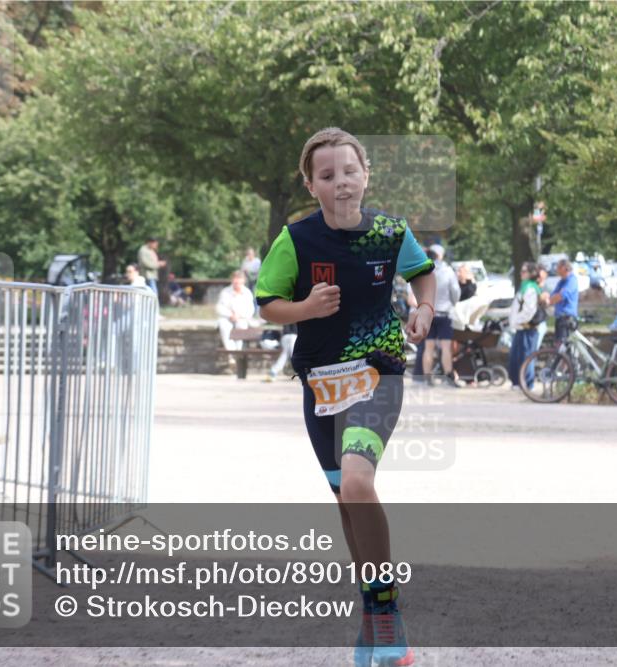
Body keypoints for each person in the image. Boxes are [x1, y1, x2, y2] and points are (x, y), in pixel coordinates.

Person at [254, 127, 435, 665]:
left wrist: (423, 310)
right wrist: (305, 308)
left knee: (358, 481)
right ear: (311, 185)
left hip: (379, 373)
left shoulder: (389, 231)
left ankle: (387, 613)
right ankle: (371, 618)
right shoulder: (296, 240)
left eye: (349, 172)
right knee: (345, 501)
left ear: (366, 175)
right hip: (321, 383)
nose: (341, 184)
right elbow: (268, 304)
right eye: (328, 176)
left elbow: (422, 276)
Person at [422, 243, 461, 386]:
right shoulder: (448, 271)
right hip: (444, 313)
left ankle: (427, 378)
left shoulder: (423, 270)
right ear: (441, 255)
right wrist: (452, 302)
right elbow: (456, 293)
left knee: (428, 347)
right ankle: (449, 377)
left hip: (428, 313)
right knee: (446, 347)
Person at [508, 262, 540, 390]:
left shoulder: (530, 288)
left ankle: (526, 383)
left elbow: (529, 311)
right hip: (520, 328)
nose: (521, 274)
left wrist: (516, 320)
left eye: (524, 271)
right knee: (516, 356)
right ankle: (517, 382)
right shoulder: (524, 287)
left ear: (531, 274)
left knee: (526, 357)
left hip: (527, 328)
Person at [216, 270, 255, 351]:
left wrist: (239, 315)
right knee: (223, 325)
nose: (236, 282)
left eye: (239, 280)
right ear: (232, 280)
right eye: (235, 280)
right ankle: (231, 352)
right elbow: (219, 307)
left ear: (243, 281)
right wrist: (230, 314)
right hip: (228, 318)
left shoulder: (247, 293)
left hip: (242, 318)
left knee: (241, 326)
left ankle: (238, 351)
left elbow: (250, 310)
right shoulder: (225, 291)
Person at [544, 258, 579, 342]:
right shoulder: (561, 282)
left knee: (563, 346)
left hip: (567, 319)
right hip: (560, 318)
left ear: (565, 268)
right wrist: (550, 299)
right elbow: (553, 296)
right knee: (559, 344)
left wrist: (549, 301)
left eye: (558, 267)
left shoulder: (572, 280)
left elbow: (560, 296)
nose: (556, 270)